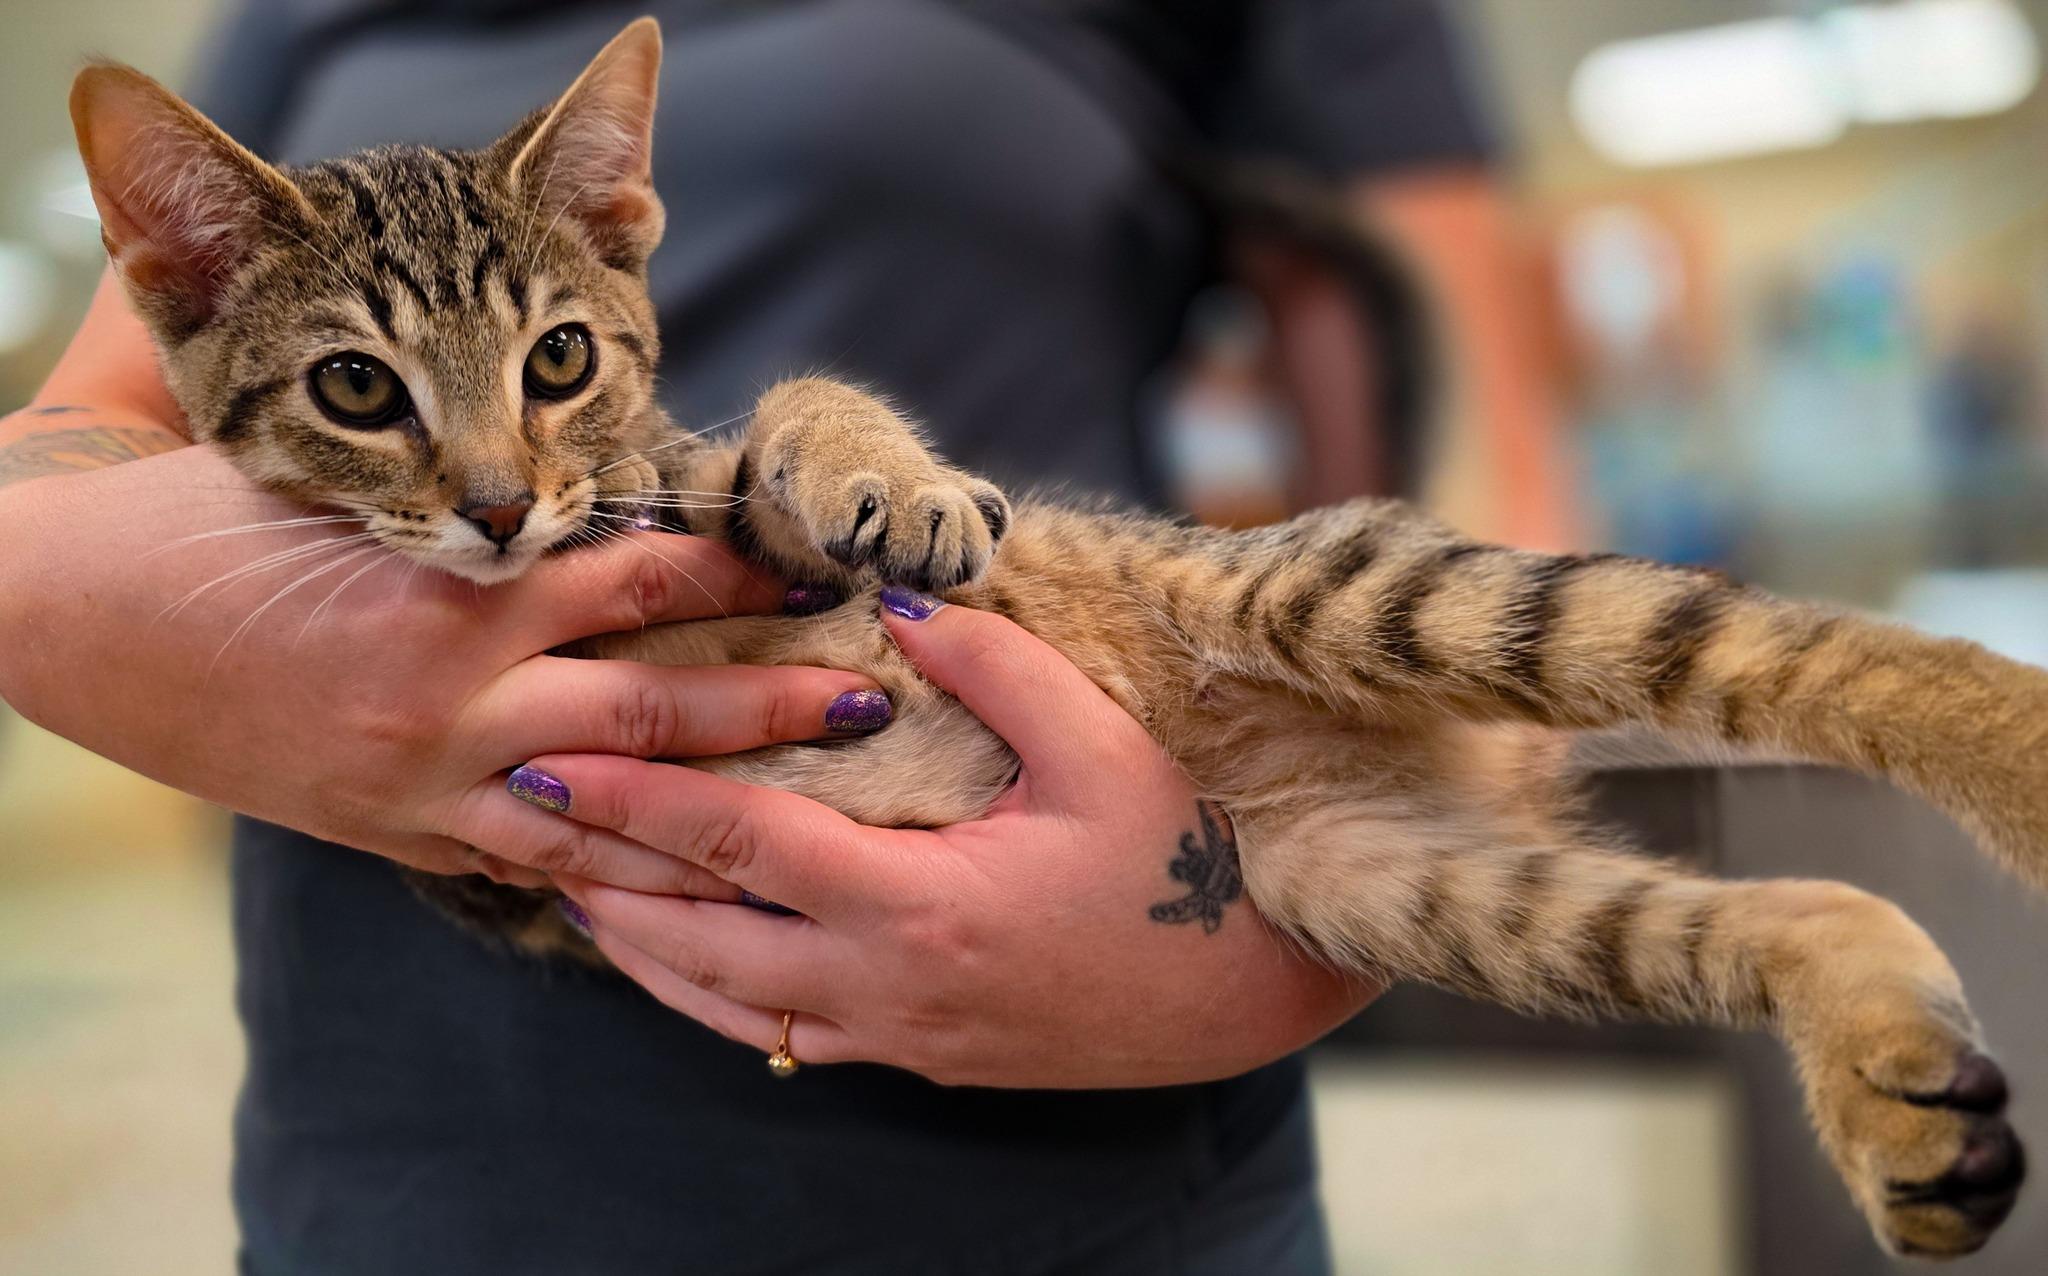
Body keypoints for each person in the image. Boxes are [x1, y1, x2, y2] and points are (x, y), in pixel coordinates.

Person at [0, 2, 1565, 1271]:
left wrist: (1273, 940)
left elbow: (1480, 474)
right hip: (404, 1154)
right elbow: (69, 458)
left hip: (1076, 1157)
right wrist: (193, 674)